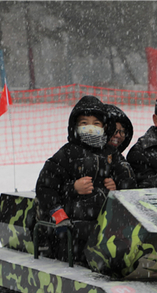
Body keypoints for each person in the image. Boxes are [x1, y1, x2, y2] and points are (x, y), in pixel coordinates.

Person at [35, 95, 135, 262]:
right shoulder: (67, 153)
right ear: (75, 126)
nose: (90, 128)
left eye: (96, 124)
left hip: (108, 225)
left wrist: (117, 185)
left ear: (105, 127)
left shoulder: (112, 154)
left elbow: (129, 179)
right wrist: (73, 189)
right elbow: (45, 187)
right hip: (73, 226)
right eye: (84, 123)